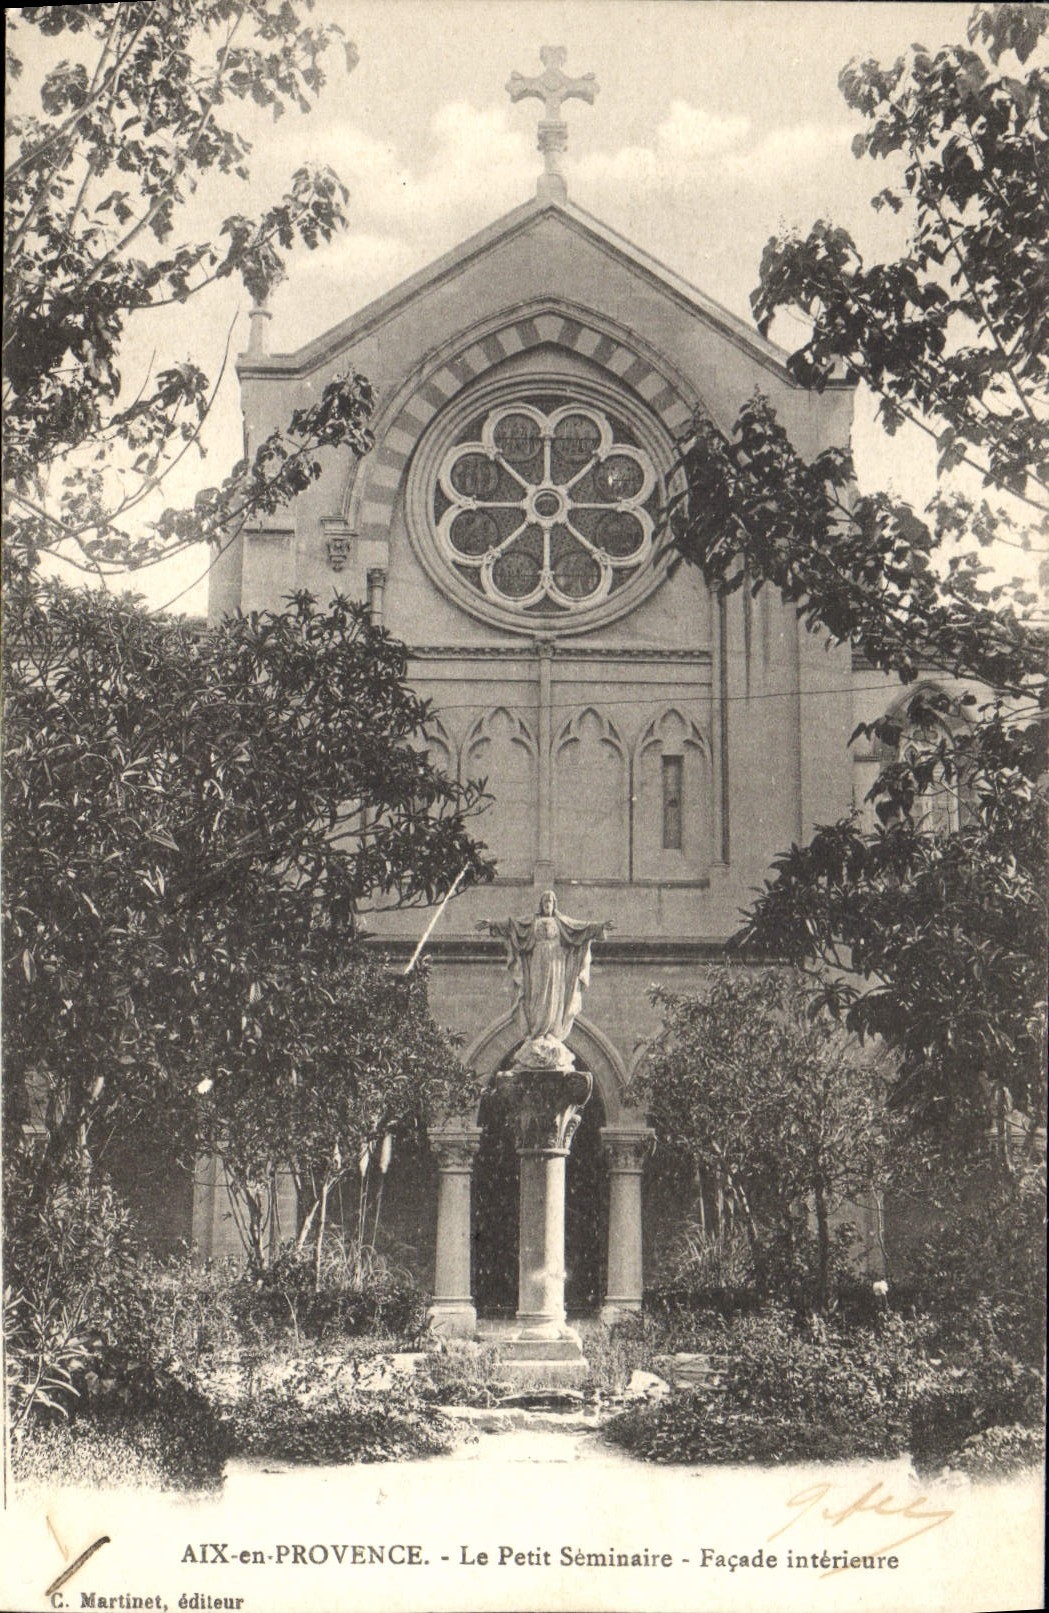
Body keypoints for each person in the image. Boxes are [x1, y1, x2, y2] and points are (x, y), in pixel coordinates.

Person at [479, 890, 612, 1046]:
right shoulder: (533, 922)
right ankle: (538, 1031)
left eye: (550, 901)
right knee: (537, 994)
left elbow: (580, 928)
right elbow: (513, 925)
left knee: (554, 995)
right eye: (545, 902)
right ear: (541, 905)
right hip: (538, 962)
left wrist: (600, 926)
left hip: (556, 962)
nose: (548, 904)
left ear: (554, 904)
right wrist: (492, 923)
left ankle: (551, 1032)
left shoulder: (561, 922)